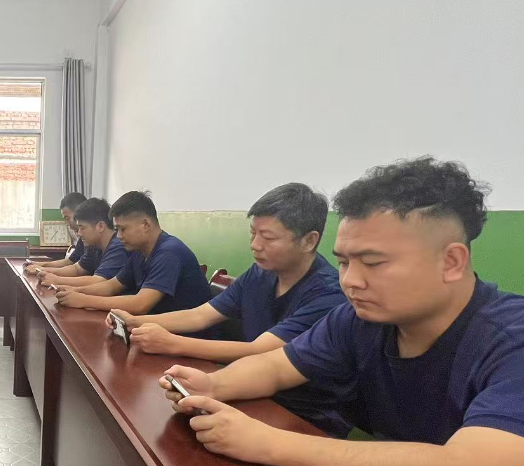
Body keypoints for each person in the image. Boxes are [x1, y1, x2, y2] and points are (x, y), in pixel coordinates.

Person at [160, 157, 524, 466]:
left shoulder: (519, 341)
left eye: (373, 263)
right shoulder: (359, 320)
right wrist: (213, 384)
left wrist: (265, 442)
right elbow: (276, 366)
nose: (351, 281)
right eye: (343, 262)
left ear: (451, 261)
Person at [108, 184, 350, 435]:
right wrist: (136, 321)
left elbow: (261, 352)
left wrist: (171, 343)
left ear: (309, 240)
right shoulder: (260, 273)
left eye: (268, 237)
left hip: (306, 415)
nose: (255, 245)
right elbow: (201, 314)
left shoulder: (328, 294)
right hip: (249, 389)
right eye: (253, 233)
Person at [55, 191, 212, 320]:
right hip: (156, 328)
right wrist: (75, 291)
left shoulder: (169, 252)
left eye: (123, 229)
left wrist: (84, 300)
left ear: (146, 225)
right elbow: (112, 286)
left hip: (191, 338)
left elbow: (140, 304)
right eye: (117, 230)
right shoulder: (139, 251)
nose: (118, 236)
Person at [37, 198, 128, 288]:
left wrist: (57, 280)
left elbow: (98, 280)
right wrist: (44, 271)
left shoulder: (118, 247)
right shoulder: (95, 244)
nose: (79, 233)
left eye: (82, 228)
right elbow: (77, 269)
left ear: (101, 226)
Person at [24, 192, 93, 275]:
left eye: (67, 218)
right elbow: (71, 262)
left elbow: (95, 278)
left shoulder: (94, 242)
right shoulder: (83, 238)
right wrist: (40, 265)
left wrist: (44, 270)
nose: (67, 223)